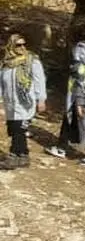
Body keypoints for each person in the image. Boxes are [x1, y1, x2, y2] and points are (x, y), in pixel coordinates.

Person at [0, 34, 47, 170]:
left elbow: (40, 81)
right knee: (14, 129)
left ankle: (14, 156)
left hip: (25, 103)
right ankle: (23, 156)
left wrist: (41, 99)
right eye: (18, 45)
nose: (22, 47)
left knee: (19, 129)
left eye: (23, 44)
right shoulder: (6, 64)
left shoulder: (32, 61)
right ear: (11, 46)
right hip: (10, 103)